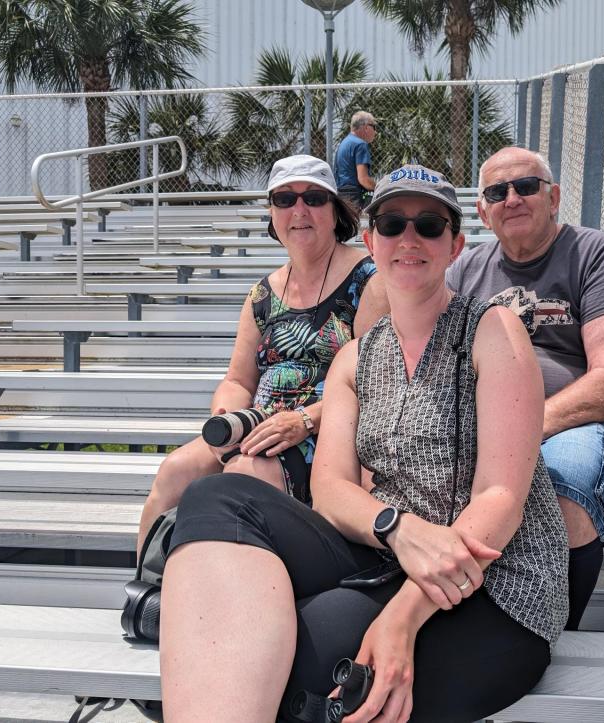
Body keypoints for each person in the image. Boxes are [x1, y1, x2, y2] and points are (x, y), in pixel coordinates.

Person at [159, 167, 568, 721]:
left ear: (455, 245)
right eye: (392, 224)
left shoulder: (493, 331)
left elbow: (500, 497)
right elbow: (329, 489)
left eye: (428, 224)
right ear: (371, 240)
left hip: (496, 586)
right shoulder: (357, 357)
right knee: (214, 497)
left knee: (298, 671)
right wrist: (397, 529)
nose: (409, 239)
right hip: (391, 557)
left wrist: (402, 617)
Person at [136, 154, 388, 551]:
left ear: (335, 211)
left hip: (329, 432)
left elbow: (377, 386)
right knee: (174, 472)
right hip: (259, 427)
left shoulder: (368, 281)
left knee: (241, 478)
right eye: (285, 199)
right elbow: (238, 380)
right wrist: (227, 417)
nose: (299, 210)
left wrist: (303, 420)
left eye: (314, 198)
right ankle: (150, 598)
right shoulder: (262, 294)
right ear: (272, 213)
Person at [445, 146, 604, 631]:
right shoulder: (465, 270)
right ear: (483, 212)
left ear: (553, 197)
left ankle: (554, 632)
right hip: (479, 417)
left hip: (575, 423)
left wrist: (525, 429)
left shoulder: (593, 253)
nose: (512, 198)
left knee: (565, 482)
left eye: (526, 186)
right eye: (497, 191)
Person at [334, 111, 378, 210]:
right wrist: (380, 188)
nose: (375, 132)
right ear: (366, 127)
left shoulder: (345, 142)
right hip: (353, 196)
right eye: (374, 127)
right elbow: (363, 179)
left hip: (341, 194)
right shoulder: (360, 144)